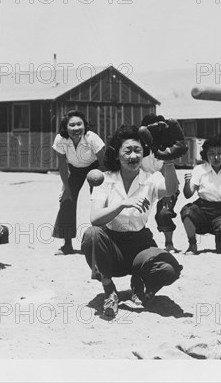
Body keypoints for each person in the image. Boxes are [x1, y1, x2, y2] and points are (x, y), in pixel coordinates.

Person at [81, 125, 183, 318]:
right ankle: (109, 289)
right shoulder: (105, 179)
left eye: (138, 150)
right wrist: (123, 204)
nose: (133, 156)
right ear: (117, 154)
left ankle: (141, 284)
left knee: (169, 269)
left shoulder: (151, 179)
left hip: (140, 243)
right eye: (127, 151)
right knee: (91, 235)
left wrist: (169, 161)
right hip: (112, 246)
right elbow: (95, 219)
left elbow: (170, 189)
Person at [52, 110, 105, 255]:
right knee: (66, 201)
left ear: (84, 125)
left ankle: (102, 243)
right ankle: (67, 245)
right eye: (72, 125)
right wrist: (66, 188)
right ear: (65, 127)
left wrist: (104, 185)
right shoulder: (60, 140)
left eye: (79, 124)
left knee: (100, 203)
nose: (76, 128)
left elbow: (104, 162)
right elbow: (62, 165)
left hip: (95, 169)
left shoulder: (92, 138)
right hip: (74, 170)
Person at [140, 114, 180, 253]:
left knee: (164, 213)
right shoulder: (140, 148)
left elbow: (166, 171)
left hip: (165, 183)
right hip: (145, 185)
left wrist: (168, 194)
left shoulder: (164, 147)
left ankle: (169, 243)